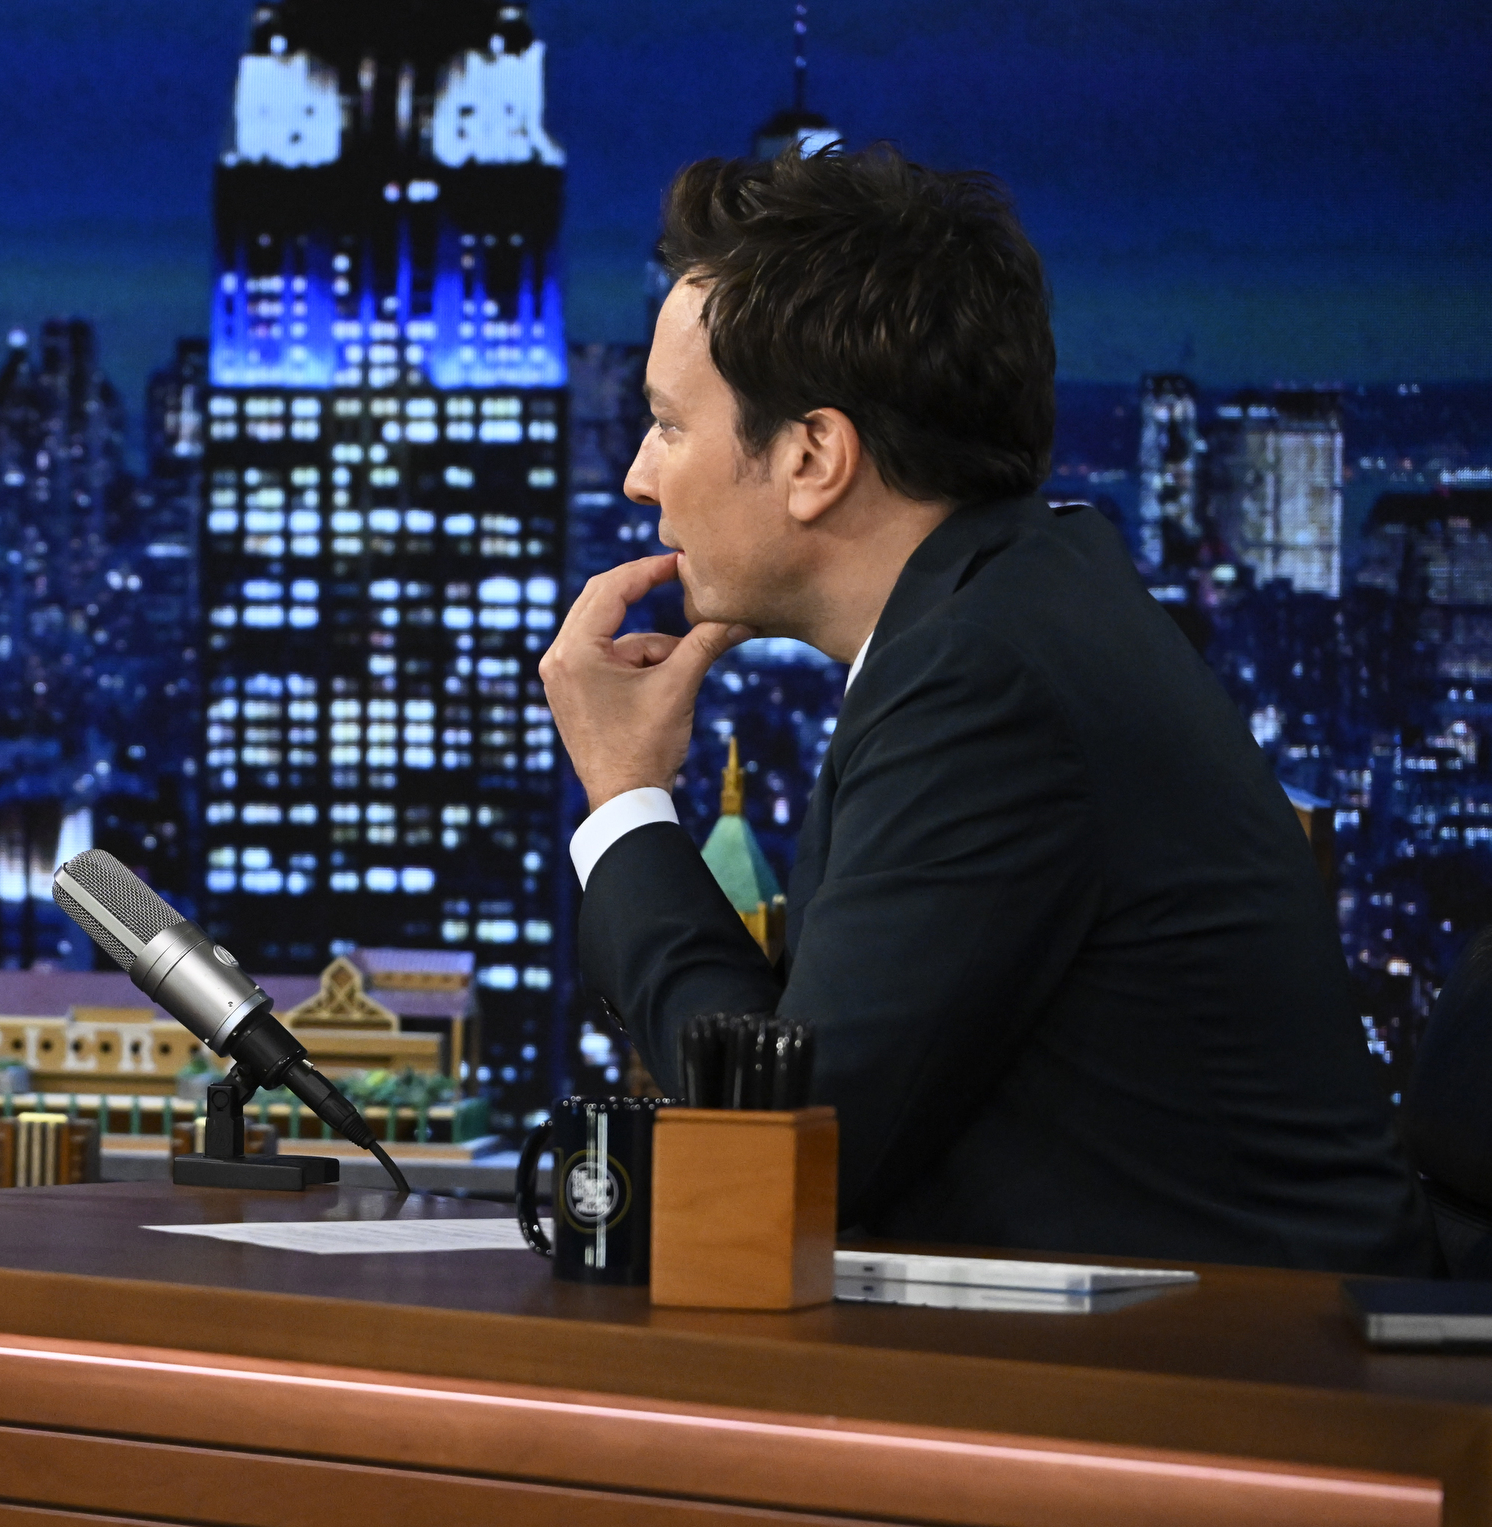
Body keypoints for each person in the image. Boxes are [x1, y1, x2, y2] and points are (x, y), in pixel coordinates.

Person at [536, 149, 1428, 1272]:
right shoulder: (1017, 602)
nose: (635, 477)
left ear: (814, 456)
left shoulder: (980, 679)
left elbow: (785, 1149)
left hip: (1224, 1396)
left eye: (667, 424)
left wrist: (622, 801)